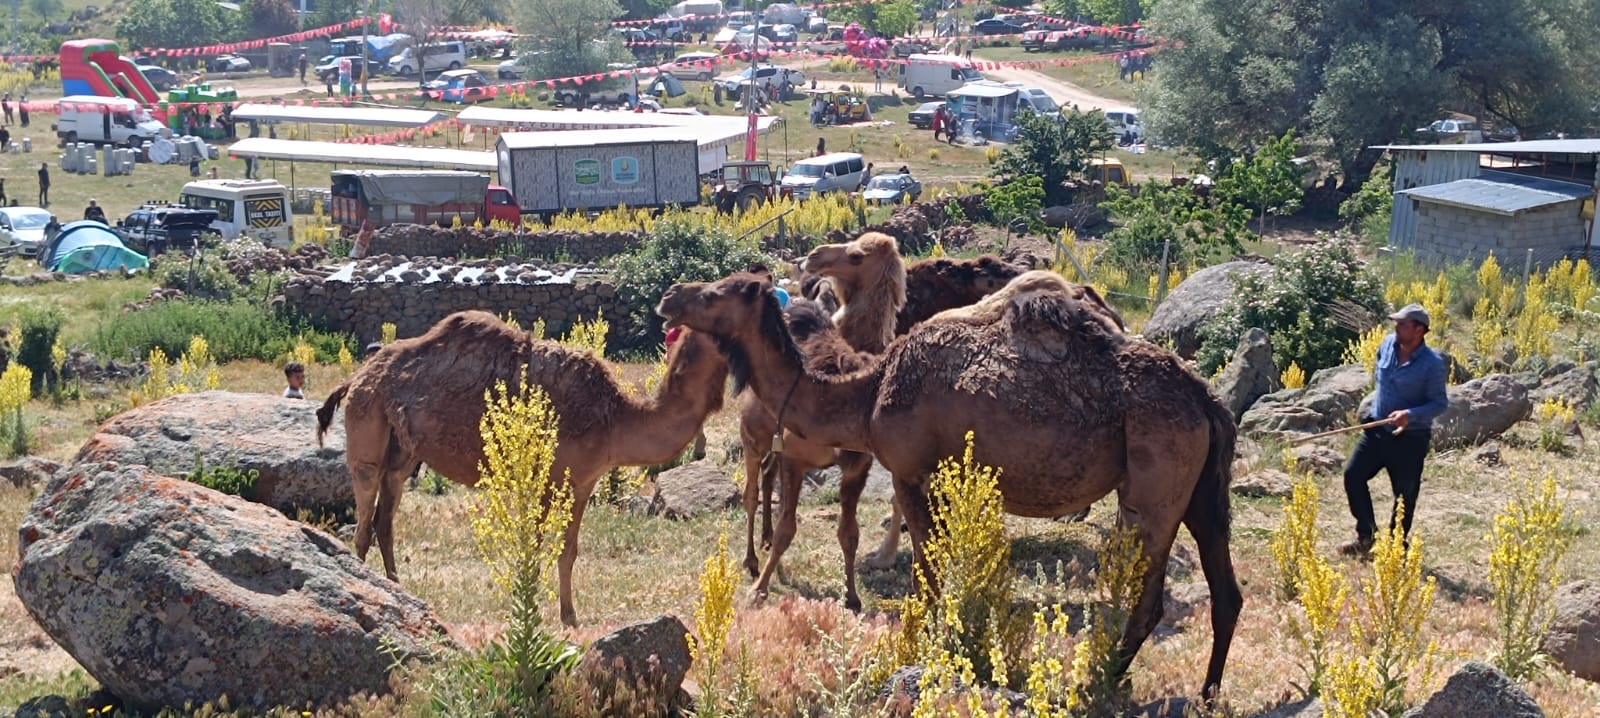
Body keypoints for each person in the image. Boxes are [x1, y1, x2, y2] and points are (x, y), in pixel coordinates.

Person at [1339, 303, 1448, 557]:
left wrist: (1409, 415)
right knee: (1353, 476)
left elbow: (1439, 403)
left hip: (1411, 439)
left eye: (1402, 324)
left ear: (1419, 330)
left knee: (1404, 495)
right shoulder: (1387, 344)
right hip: (1377, 430)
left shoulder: (1433, 364)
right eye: (1396, 323)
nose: (1396, 328)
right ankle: (1366, 536)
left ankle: (1397, 546)